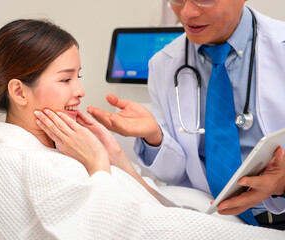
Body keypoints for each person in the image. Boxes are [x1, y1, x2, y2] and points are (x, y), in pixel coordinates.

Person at [0, 19, 284, 239]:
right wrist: (98, 166)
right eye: (66, 79)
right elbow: (111, 230)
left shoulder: (59, 154)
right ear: (19, 92)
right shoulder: (7, 164)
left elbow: (147, 211)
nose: (80, 91)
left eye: (78, 77)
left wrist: (115, 159)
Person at [88, 0, 285, 230]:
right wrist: (155, 137)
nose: (188, 12)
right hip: (211, 218)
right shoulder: (163, 65)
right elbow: (177, 172)